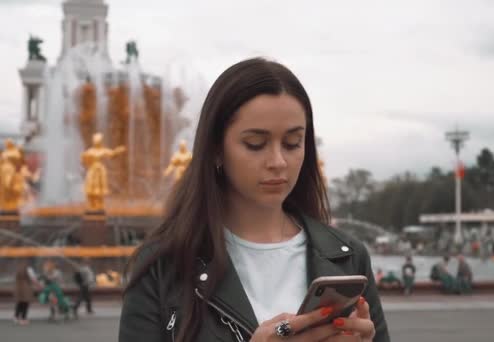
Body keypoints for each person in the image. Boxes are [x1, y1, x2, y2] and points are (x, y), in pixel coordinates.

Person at [119, 58, 389, 342]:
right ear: (216, 150)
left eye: (293, 143)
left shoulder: (349, 258)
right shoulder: (162, 265)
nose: (278, 161)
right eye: (255, 144)